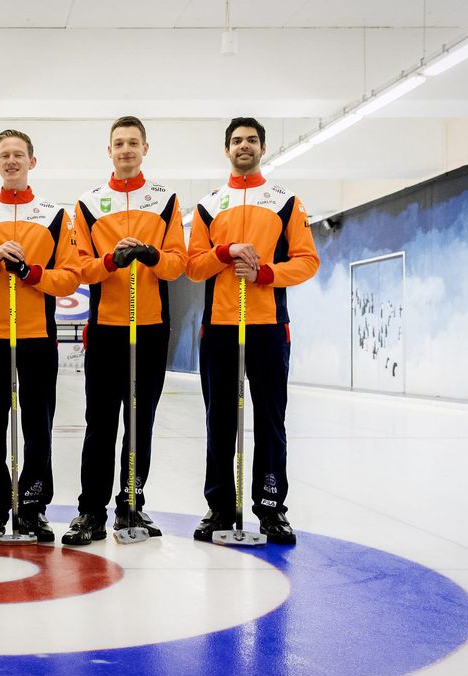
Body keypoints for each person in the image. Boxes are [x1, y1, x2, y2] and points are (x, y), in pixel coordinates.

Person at [186, 117, 320, 545]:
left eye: (252, 140)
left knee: (270, 419)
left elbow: (307, 261)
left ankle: (270, 506)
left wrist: (266, 273)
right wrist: (224, 252)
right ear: (226, 149)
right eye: (237, 141)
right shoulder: (210, 205)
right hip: (221, 327)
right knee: (219, 421)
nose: (244, 146)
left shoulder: (285, 202)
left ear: (263, 147)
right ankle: (220, 507)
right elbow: (193, 266)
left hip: (267, 328)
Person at [62, 116, 187, 546]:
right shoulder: (89, 203)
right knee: (100, 423)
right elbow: (80, 269)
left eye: (134, 143)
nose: (126, 150)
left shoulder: (165, 200)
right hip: (106, 330)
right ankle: (90, 512)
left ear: (145, 149)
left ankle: (131, 504)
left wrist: (150, 254)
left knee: (140, 423)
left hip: (150, 328)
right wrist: (113, 261)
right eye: (119, 143)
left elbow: (178, 264)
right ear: (109, 151)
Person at [0, 129, 81, 544]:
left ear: (32, 162)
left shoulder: (55, 216)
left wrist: (30, 274)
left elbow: (69, 279)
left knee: (37, 427)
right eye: (5, 155)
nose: (12, 161)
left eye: (19, 155)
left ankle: (32, 506)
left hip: (37, 338)